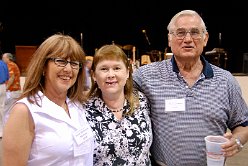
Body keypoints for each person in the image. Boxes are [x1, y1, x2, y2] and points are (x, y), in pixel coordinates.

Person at [132, 10, 248, 166]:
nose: (188, 39)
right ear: (169, 39)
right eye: (180, 33)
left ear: (205, 38)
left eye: (195, 33)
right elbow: (116, 95)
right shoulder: (145, 77)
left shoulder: (226, 80)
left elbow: (243, 124)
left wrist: (237, 141)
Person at [2, 33, 94, 165]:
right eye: (61, 61)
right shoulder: (25, 111)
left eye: (74, 63)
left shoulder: (77, 106)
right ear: (43, 66)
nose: (68, 69)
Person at [83, 44, 153, 165]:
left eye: (116, 68)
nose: (111, 74)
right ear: (94, 75)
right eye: (104, 69)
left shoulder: (141, 101)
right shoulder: (83, 109)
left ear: (127, 72)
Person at [2, 52, 21, 117]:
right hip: (12, 91)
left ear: (8, 58)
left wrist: (6, 88)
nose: (2, 59)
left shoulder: (11, 65)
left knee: (6, 111)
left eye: (3, 58)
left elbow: (11, 78)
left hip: (12, 91)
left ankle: (5, 126)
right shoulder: (11, 65)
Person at [0, 58, 9, 138]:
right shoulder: (3, 63)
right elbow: (7, 77)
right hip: (2, 86)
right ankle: (2, 131)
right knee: (2, 108)